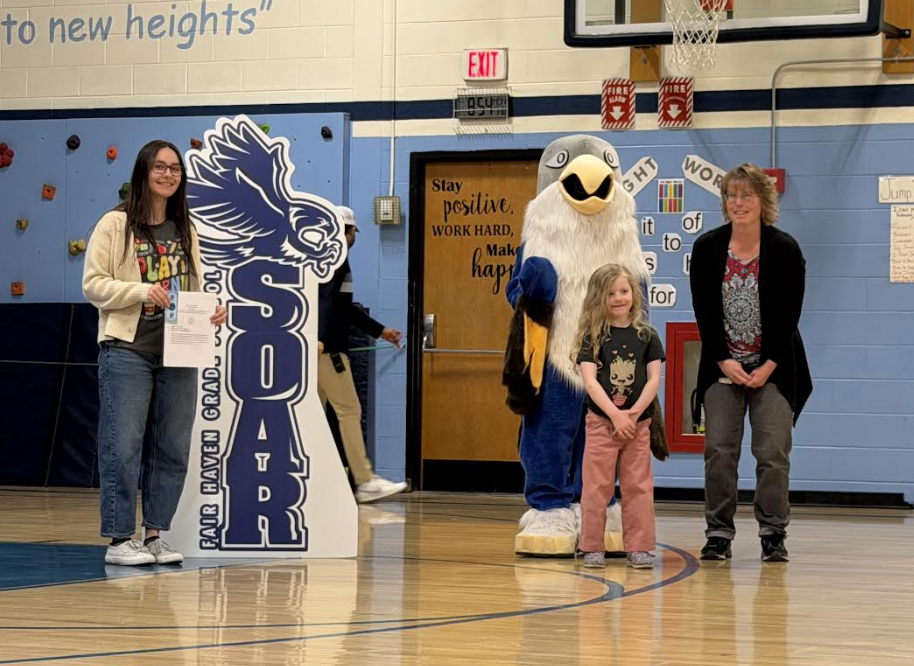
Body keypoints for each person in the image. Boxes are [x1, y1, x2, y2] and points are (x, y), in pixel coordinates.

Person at [82, 140, 227, 566]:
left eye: (175, 169)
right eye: (160, 167)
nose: (168, 175)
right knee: (122, 444)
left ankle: (154, 534)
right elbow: (93, 286)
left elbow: (194, 286)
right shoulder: (115, 224)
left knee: (173, 447)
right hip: (128, 349)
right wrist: (143, 290)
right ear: (143, 172)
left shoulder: (186, 228)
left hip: (180, 351)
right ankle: (119, 539)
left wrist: (211, 310)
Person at [689, 162, 811, 563]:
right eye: (731, 195)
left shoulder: (786, 249)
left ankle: (773, 533)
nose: (738, 202)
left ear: (764, 200)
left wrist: (768, 365)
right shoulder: (707, 248)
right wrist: (724, 361)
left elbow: (790, 315)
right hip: (723, 367)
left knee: (772, 454)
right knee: (719, 451)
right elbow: (704, 313)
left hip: (774, 367)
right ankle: (718, 533)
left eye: (747, 195)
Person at [574, 264, 665, 569]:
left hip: (637, 426)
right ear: (599, 298)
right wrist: (615, 416)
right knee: (596, 486)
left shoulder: (647, 335)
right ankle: (591, 546)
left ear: (633, 294)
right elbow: (590, 381)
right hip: (602, 423)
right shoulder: (592, 337)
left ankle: (639, 547)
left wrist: (633, 414)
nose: (618, 298)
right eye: (611, 293)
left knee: (638, 486)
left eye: (623, 291)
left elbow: (653, 380)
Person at [318, 206, 407, 503]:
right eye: (354, 230)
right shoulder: (336, 260)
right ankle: (365, 480)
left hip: (314, 350)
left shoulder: (318, 258)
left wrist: (380, 330)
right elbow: (329, 304)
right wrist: (321, 340)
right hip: (327, 351)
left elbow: (342, 307)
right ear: (345, 230)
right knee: (349, 411)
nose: (355, 236)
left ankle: (310, 479)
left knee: (314, 417)